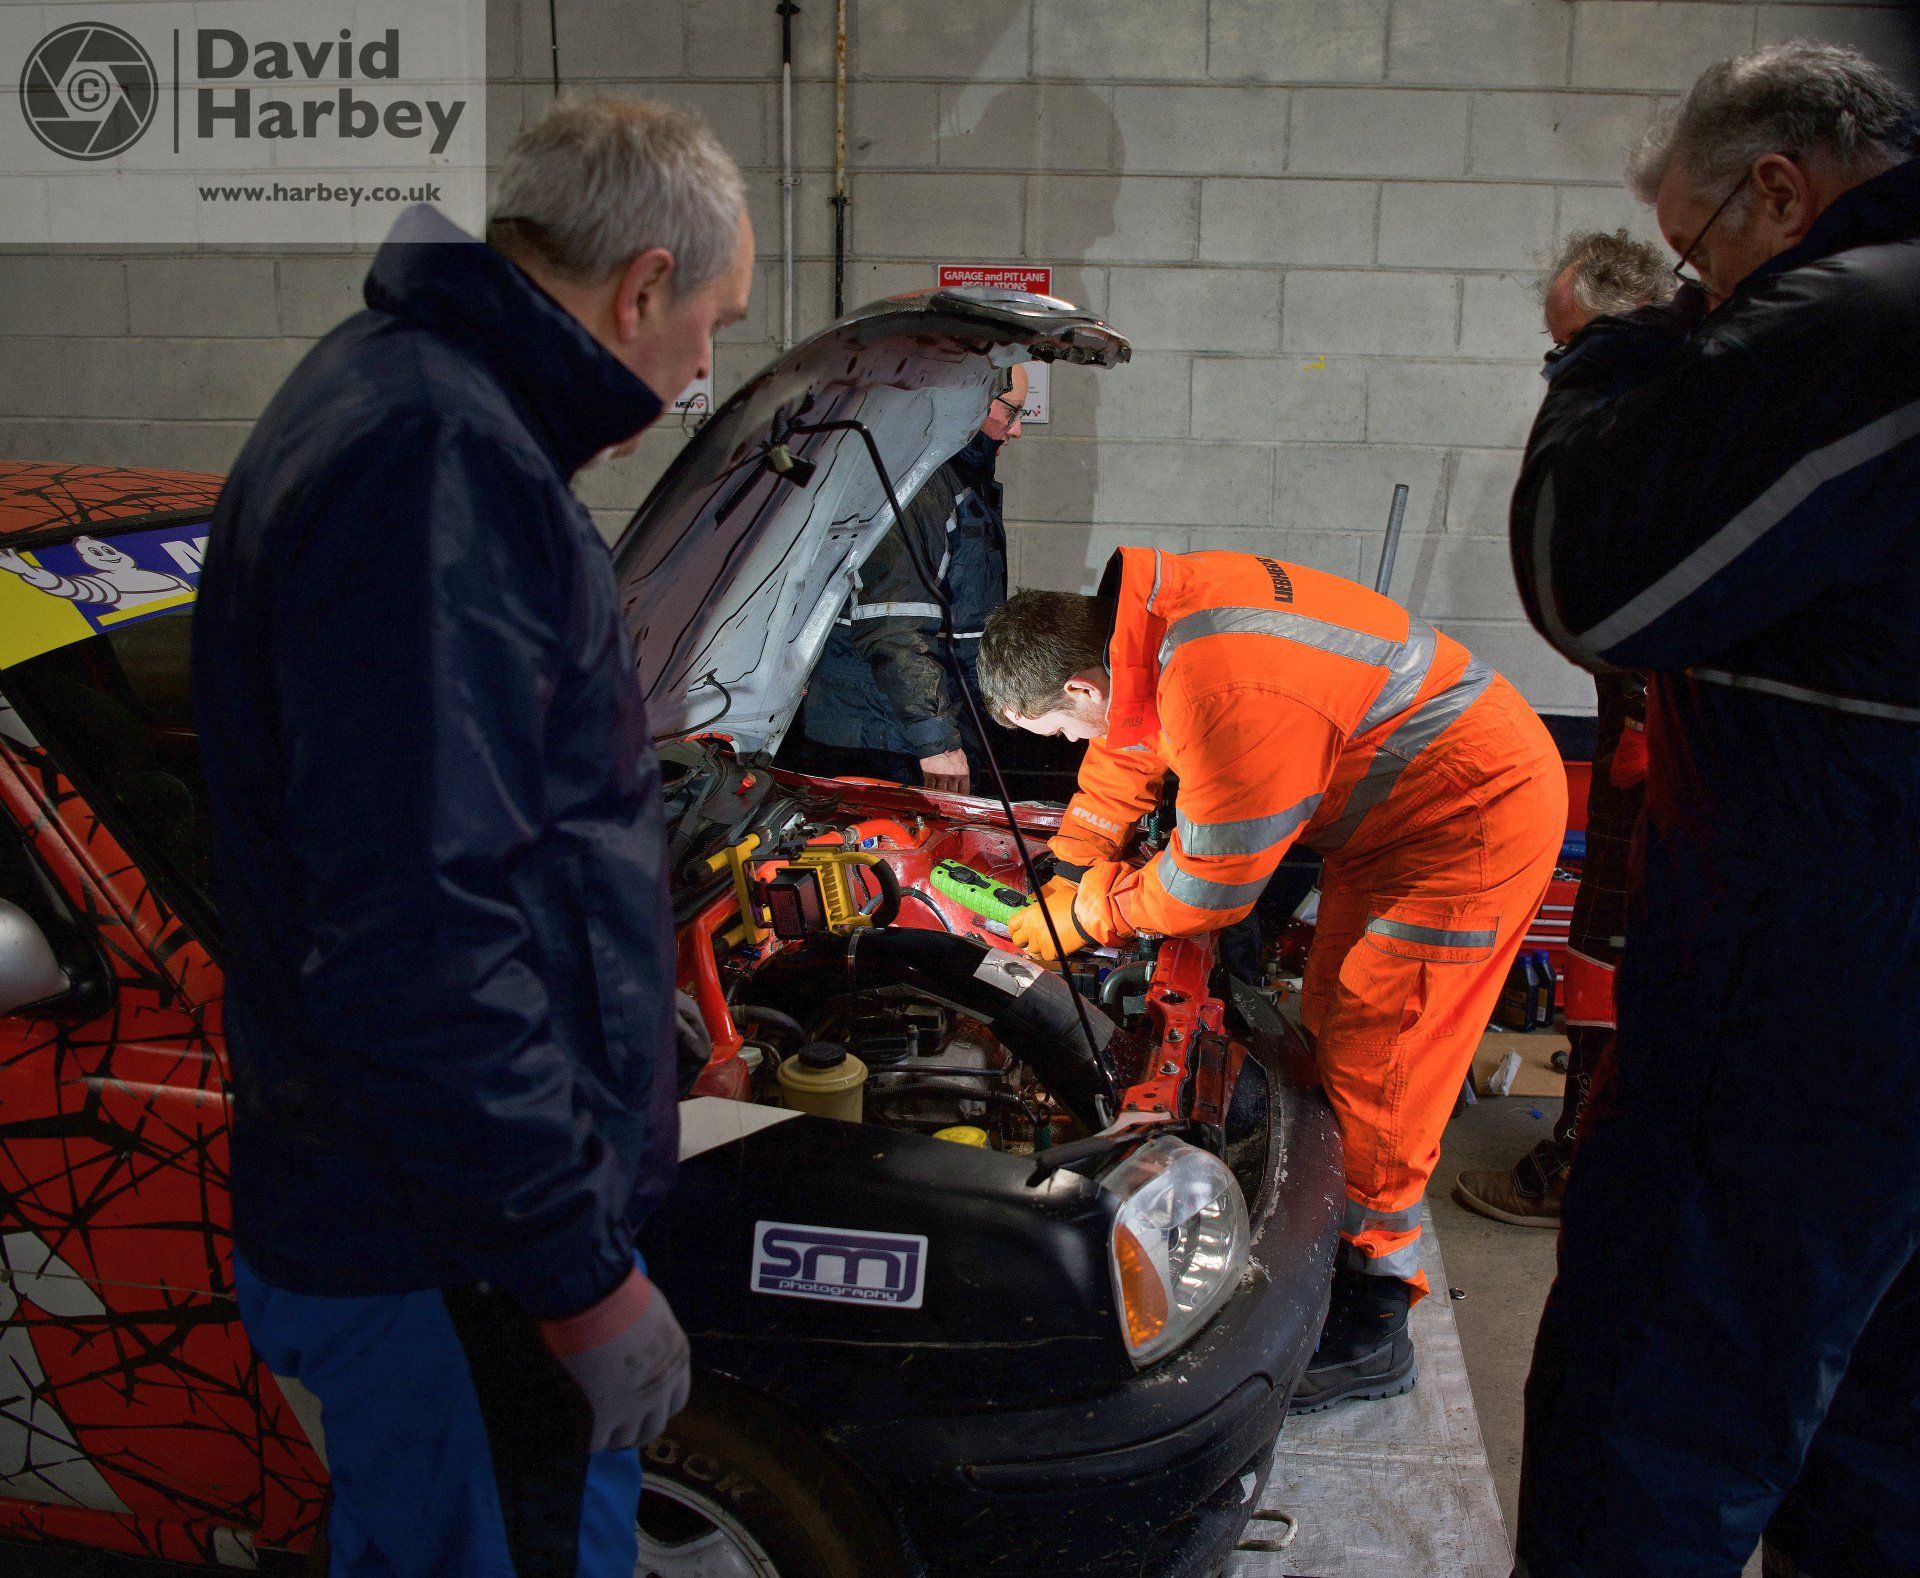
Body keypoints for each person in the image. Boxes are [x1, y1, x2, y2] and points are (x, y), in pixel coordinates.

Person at [192, 100, 754, 1575]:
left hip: (445, 1230)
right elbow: (424, 937)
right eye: (714, 323)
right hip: (453, 1255)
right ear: (641, 285)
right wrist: (575, 1278)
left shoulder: (412, 403)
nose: (706, 367)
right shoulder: (439, 463)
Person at [1506, 43, 1920, 1577]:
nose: (1704, 297)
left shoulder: (1857, 314)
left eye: (1700, 259)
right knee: (1871, 1428)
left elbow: (1591, 579)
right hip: (1863, 948)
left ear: (1778, 187)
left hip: (1818, 973)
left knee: (1651, 1412)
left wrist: (1614, 351)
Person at [978, 548, 1565, 1410]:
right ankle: (1339, 1242)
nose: (1070, 745)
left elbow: (1211, 889)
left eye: (1059, 731)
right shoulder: (1143, 628)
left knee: (1382, 1055)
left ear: (1077, 688)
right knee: (1329, 1021)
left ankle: (1373, 1315)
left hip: (1469, 824)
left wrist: (1091, 915)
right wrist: (1066, 872)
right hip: (1398, 816)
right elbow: (1122, 752)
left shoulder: (1222, 684)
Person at [1454, 230, 1670, 1229]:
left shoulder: (1650, 416)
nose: (1557, 371)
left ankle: (1580, 1173)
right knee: (1614, 955)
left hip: (1662, 734)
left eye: (1565, 345)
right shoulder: (1681, 407)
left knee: (1612, 957)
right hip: (1648, 722)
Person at [782, 364, 1027, 795]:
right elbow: (895, 628)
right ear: (968, 404)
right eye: (1012, 412)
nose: (1017, 429)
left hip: (911, 729)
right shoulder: (919, 490)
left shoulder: (955, 485)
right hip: (885, 740)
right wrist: (937, 743)